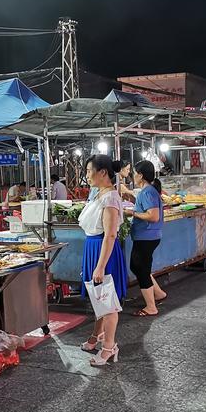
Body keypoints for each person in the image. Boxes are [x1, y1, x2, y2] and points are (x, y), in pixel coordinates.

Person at [78, 155, 127, 366]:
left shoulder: (110, 198)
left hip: (103, 251)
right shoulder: (99, 194)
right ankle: (96, 336)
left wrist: (100, 266)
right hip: (93, 248)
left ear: (103, 173)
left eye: (89, 171)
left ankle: (109, 348)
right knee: (98, 298)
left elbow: (110, 235)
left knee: (107, 303)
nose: (87, 175)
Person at [129, 161, 166, 316]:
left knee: (139, 268)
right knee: (141, 267)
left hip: (146, 237)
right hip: (148, 236)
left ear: (141, 175)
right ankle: (158, 294)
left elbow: (153, 216)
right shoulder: (148, 191)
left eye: (134, 172)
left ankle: (151, 307)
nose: (132, 175)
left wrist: (132, 213)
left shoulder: (147, 192)